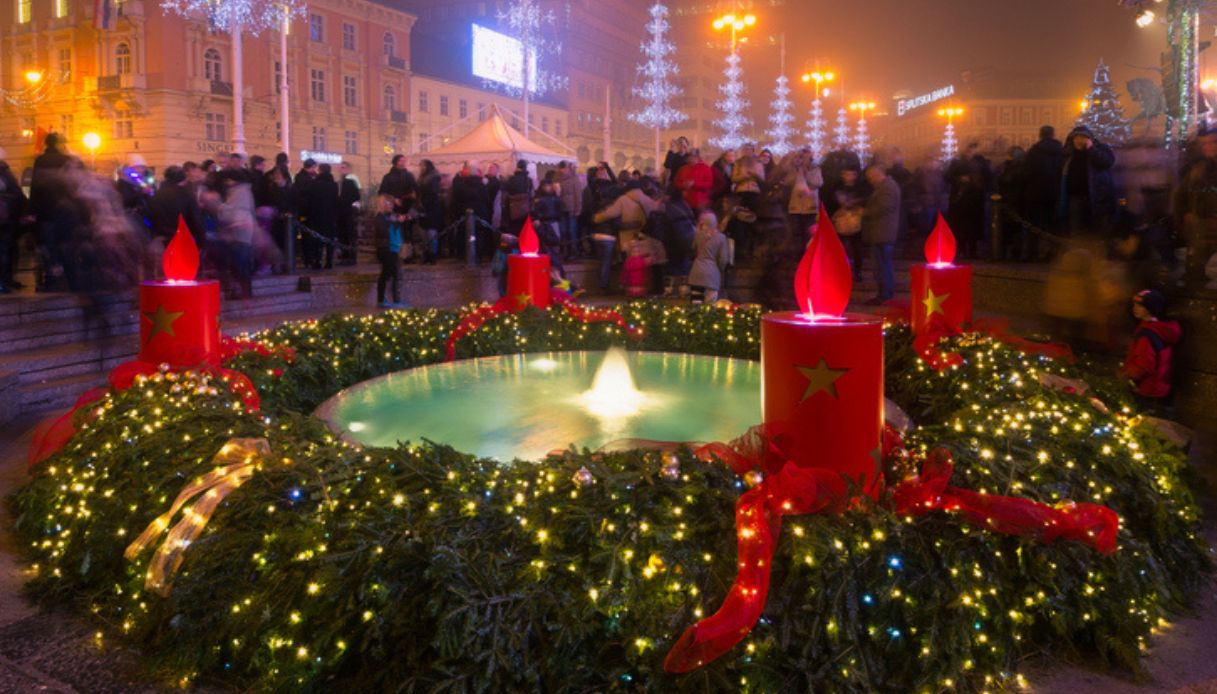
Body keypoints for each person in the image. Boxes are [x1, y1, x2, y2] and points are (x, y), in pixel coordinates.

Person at [1120, 289, 1180, 413]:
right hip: (1159, 387)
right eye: (1134, 304)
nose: (1135, 308)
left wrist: (1127, 374)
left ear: (1151, 308)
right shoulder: (1160, 328)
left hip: (1146, 388)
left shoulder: (1147, 334)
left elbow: (1145, 364)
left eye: (1140, 306)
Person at [29, 133, 76, 290]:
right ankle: (69, 278)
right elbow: (74, 186)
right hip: (65, 210)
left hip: (45, 212)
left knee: (50, 246)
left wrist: (32, 210)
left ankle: (52, 278)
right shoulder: (66, 160)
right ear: (58, 144)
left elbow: (35, 187)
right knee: (66, 244)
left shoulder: (40, 160)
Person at [1172, 128, 1217, 288]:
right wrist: (1184, 217)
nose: (1209, 147)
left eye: (1213, 142)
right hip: (1200, 230)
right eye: (1205, 143)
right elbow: (1181, 196)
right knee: (1195, 272)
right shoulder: (1198, 169)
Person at [146, 166, 206, 277]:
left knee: (165, 275)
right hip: (183, 241)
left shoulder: (156, 196)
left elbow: (149, 217)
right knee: (185, 275)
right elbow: (195, 220)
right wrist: (201, 241)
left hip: (162, 241)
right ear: (183, 179)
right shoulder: (186, 196)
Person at [1061, 126, 1117, 236]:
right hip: (1074, 198)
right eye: (1076, 137)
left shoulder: (1100, 149)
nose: (1079, 140)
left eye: (1082, 137)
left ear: (1090, 139)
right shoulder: (1068, 153)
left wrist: (1091, 149)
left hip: (1096, 198)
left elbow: (1107, 162)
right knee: (1076, 230)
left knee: (1097, 231)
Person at [862, 165, 901, 304]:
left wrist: (864, 212)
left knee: (882, 266)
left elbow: (883, 208)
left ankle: (884, 295)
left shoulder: (888, 187)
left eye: (871, 177)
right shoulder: (886, 187)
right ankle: (885, 293)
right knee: (882, 265)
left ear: (877, 174)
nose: (870, 181)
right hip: (881, 233)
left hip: (883, 233)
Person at [371, 195, 407, 308]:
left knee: (394, 273)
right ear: (382, 205)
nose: (391, 206)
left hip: (394, 248)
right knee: (387, 273)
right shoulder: (379, 217)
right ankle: (383, 299)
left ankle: (394, 299)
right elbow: (382, 231)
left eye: (392, 203)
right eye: (388, 203)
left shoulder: (390, 216)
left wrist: (398, 221)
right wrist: (395, 222)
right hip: (385, 249)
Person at [688, 211, 730, 304]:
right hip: (712, 275)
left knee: (696, 303)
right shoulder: (721, 238)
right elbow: (723, 260)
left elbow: (692, 249)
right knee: (710, 305)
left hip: (696, 274)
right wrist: (720, 269)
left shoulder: (698, 235)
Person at [0, 149, 27, 293]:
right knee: (5, 250)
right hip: (6, 218)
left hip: (6, 217)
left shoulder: (5, 173)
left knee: (7, 250)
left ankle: (6, 280)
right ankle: (4, 281)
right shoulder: (5, 173)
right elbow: (17, 193)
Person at [996, 146, 1029, 260]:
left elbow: (1006, 180)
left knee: (1014, 229)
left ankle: (1014, 252)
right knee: (1009, 229)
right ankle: (1007, 252)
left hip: (1014, 201)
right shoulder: (1008, 166)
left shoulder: (1016, 168)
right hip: (1010, 201)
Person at [784, 149, 824, 246]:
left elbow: (818, 183)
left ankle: (809, 256)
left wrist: (807, 172)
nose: (804, 158)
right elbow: (788, 182)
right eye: (802, 156)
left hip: (810, 207)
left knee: (809, 233)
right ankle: (798, 257)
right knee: (796, 233)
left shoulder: (816, 169)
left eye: (807, 155)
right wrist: (794, 168)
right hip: (796, 207)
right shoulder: (795, 169)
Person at [310, 163, 340, 269]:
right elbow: (336, 201)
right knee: (329, 238)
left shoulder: (315, 183)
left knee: (317, 239)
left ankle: (317, 261)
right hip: (330, 215)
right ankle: (329, 261)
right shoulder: (333, 184)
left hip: (318, 215)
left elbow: (312, 200)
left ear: (320, 170)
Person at [415, 159, 443, 264]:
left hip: (431, 209)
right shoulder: (420, 178)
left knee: (431, 233)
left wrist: (424, 201)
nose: (421, 168)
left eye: (423, 166)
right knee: (423, 233)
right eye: (420, 166)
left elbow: (433, 194)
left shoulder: (433, 178)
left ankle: (432, 255)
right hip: (422, 208)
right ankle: (425, 254)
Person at [556, 161, 583, 259]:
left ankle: (574, 252)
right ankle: (565, 251)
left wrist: (578, 209)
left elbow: (578, 195)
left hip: (572, 210)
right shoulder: (558, 179)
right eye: (561, 168)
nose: (562, 170)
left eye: (564, 168)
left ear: (568, 168)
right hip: (562, 209)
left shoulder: (574, 179)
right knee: (563, 231)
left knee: (571, 231)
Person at [337, 161, 362, 266]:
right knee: (343, 235)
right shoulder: (340, 182)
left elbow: (357, 195)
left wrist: (348, 203)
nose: (342, 169)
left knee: (350, 235)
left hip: (348, 212)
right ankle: (344, 255)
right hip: (341, 213)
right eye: (341, 167)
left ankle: (351, 257)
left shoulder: (351, 181)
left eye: (344, 167)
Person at [502, 160, 534, 235]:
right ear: (525, 168)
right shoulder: (529, 180)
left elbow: (504, 191)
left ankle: (516, 245)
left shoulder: (511, 179)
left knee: (514, 231)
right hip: (525, 209)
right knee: (525, 231)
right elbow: (532, 195)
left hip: (512, 210)